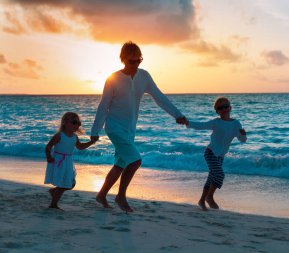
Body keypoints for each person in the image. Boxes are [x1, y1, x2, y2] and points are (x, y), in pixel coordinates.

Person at [91, 41, 186, 212]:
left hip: (130, 129)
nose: (135, 65)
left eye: (138, 60)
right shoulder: (113, 79)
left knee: (120, 164)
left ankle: (101, 195)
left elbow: (159, 97)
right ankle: (121, 197)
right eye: (132, 61)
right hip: (114, 127)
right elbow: (103, 105)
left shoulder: (144, 76)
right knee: (135, 161)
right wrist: (95, 130)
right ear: (123, 60)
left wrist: (177, 115)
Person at [185, 97, 247, 211]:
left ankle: (201, 200)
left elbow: (242, 140)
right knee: (219, 175)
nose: (224, 109)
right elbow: (201, 125)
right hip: (210, 153)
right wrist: (187, 122)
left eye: (226, 106)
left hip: (220, 156)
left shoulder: (236, 123)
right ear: (217, 111)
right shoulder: (216, 122)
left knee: (211, 178)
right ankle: (209, 197)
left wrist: (243, 134)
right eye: (221, 107)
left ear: (230, 107)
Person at [45, 112, 97, 210]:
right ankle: (53, 204)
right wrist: (48, 156)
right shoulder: (59, 135)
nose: (77, 125)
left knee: (70, 184)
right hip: (58, 162)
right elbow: (48, 146)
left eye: (79, 123)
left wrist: (91, 142)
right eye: (74, 122)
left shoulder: (74, 137)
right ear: (65, 122)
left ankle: (53, 192)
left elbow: (80, 147)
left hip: (68, 162)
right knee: (63, 183)